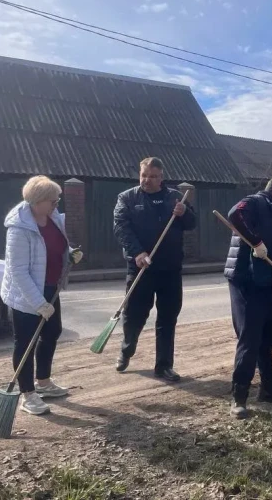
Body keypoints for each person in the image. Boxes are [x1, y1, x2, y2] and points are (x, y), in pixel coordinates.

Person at [1, 176, 81, 416]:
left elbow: (53, 247)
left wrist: (70, 253)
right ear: (37, 201)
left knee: (52, 332)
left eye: (57, 201)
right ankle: (28, 394)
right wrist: (38, 303)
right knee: (26, 343)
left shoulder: (53, 218)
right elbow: (18, 271)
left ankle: (43, 383)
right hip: (26, 295)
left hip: (50, 287)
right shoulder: (19, 229)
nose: (57, 205)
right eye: (53, 201)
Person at [113, 157, 197, 382]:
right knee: (134, 315)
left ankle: (164, 366)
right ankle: (127, 349)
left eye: (152, 176)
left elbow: (192, 223)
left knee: (168, 317)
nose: (147, 180)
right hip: (141, 267)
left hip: (170, 269)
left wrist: (184, 213)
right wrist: (137, 252)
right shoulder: (127, 198)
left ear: (161, 177)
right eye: (144, 175)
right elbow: (121, 228)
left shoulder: (175, 197)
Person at [224, 174, 272, 419]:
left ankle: (270, 389)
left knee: (268, 337)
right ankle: (239, 397)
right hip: (247, 282)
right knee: (250, 338)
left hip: (267, 282)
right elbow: (234, 214)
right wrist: (255, 242)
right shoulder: (256, 202)